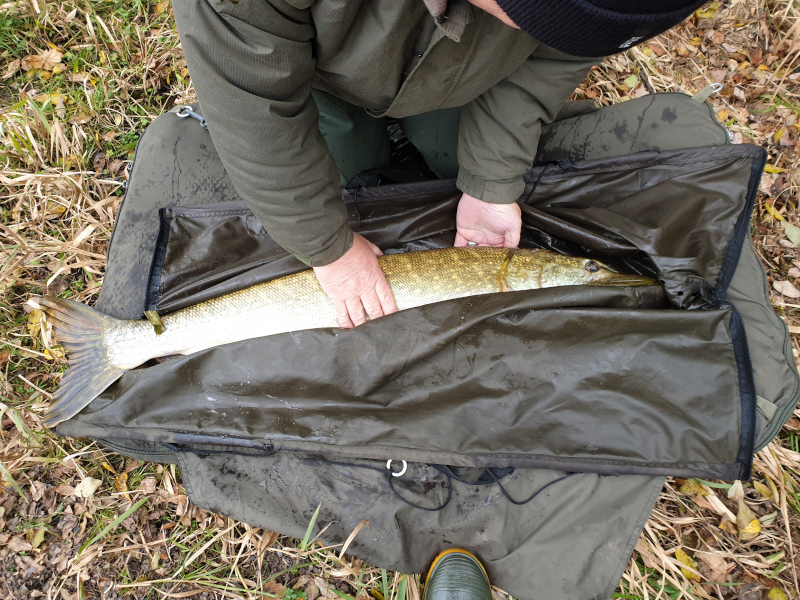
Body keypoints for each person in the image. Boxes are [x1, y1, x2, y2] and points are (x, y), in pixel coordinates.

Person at [173, 0, 707, 331]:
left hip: (465, 67)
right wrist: (326, 249)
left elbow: (542, 68)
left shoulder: (614, 12)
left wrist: (492, 183)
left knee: (460, 158)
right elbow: (254, 108)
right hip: (307, 69)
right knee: (333, 170)